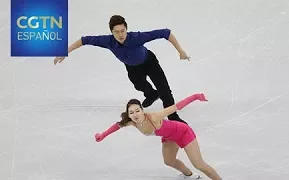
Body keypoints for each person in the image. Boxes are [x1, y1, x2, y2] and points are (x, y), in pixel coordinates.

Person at [53, 15, 190, 124]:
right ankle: (151, 94)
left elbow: (165, 33)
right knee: (138, 85)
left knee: (164, 89)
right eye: (116, 32)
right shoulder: (108, 41)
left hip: (149, 62)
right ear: (111, 32)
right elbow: (84, 40)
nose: (120, 35)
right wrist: (65, 51)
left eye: (122, 31)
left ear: (126, 29)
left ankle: (173, 116)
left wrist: (180, 50)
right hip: (132, 67)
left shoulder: (137, 37)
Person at [94, 93, 222, 180]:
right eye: (131, 112)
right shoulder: (132, 122)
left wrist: (195, 97)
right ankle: (188, 175)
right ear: (129, 115)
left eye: (137, 110)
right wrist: (103, 135)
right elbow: (117, 126)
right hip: (169, 138)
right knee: (169, 161)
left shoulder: (154, 117)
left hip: (183, 132)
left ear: (142, 110)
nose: (135, 114)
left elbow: (176, 107)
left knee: (199, 165)